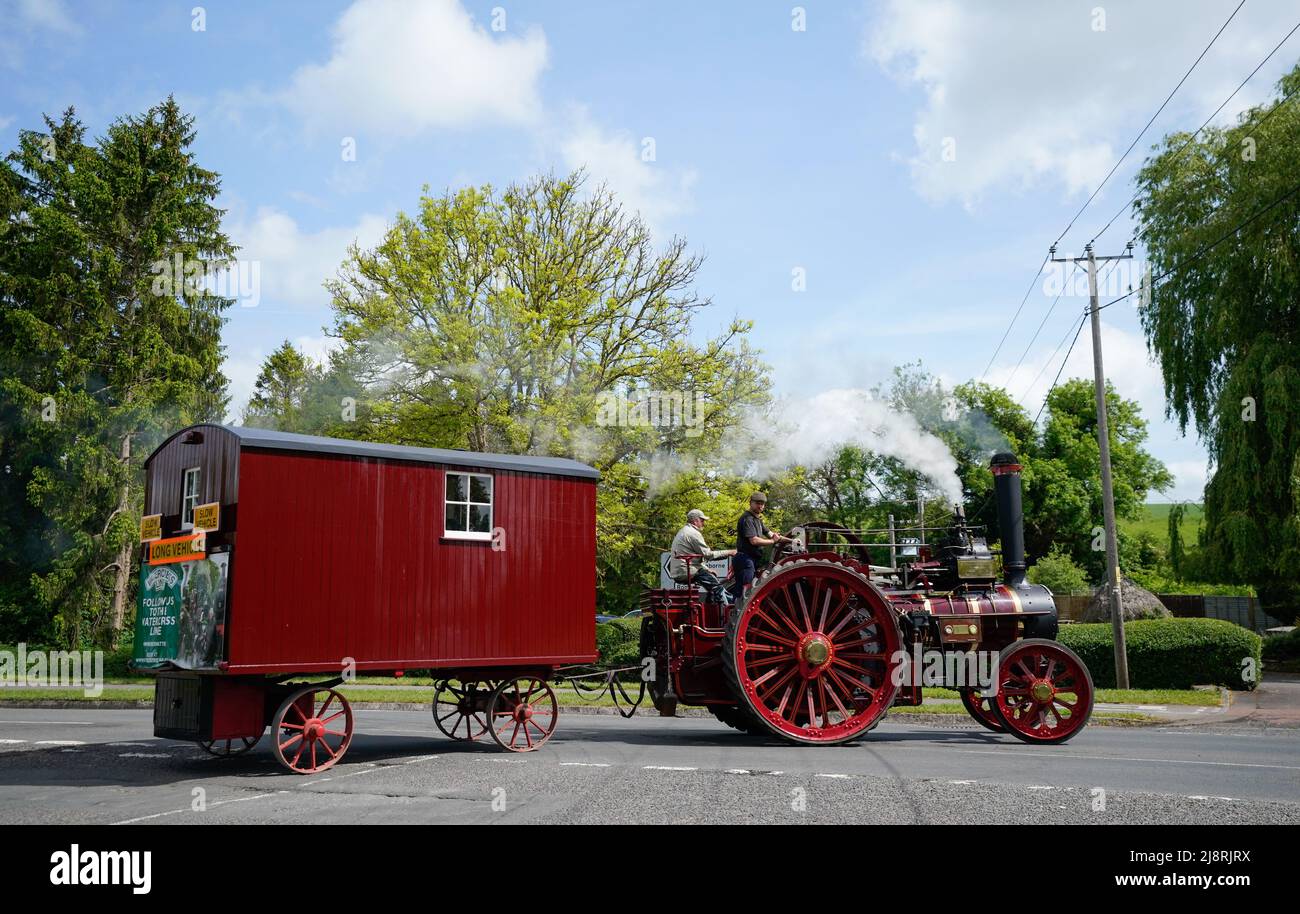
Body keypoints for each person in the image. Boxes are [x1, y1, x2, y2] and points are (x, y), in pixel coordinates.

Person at [731, 492, 792, 600]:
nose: (760, 506)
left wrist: (792, 541)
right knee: (744, 594)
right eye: (757, 503)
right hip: (745, 559)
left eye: (762, 504)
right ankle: (734, 615)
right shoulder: (747, 519)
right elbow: (754, 541)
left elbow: (773, 535)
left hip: (751, 560)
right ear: (751, 503)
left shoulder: (757, 519)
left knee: (745, 593)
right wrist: (772, 541)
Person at [668, 509, 735, 605]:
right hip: (687, 570)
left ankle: (712, 607)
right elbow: (708, 554)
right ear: (695, 521)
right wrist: (730, 552)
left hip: (681, 570)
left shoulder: (683, 531)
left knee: (711, 584)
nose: (703, 523)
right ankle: (729, 611)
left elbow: (692, 555)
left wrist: (706, 569)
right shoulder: (693, 533)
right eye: (702, 520)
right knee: (717, 587)